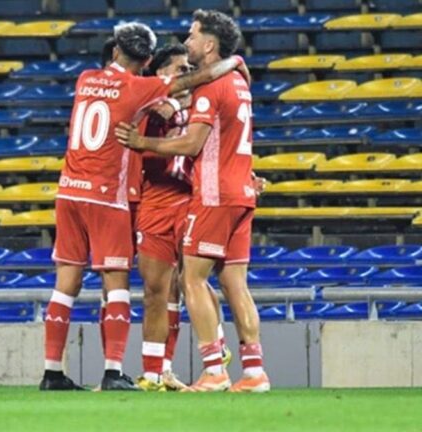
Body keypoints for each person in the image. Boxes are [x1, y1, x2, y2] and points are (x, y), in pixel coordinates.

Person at [39, 21, 249, 392]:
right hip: (109, 196)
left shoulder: (86, 79)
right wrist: (231, 63)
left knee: (65, 286)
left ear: (115, 50)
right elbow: (189, 85)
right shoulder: (139, 89)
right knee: (123, 286)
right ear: (150, 61)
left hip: (70, 191)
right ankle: (115, 371)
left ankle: (52, 372)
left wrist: (169, 103)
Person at [115, 9, 270, 393]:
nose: (187, 41)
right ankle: (253, 372)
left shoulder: (211, 88)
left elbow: (192, 143)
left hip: (215, 193)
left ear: (210, 44)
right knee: (235, 282)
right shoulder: (238, 81)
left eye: (193, 35)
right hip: (242, 193)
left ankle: (214, 369)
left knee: (191, 279)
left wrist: (143, 143)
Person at [133, 44, 234, 392]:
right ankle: (155, 372)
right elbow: (145, 116)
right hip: (154, 202)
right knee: (156, 290)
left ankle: (216, 350)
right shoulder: (146, 104)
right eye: (179, 69)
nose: (186, 76)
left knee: (195, 282)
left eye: (189, 68)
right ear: (160, 74)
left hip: (192, 199)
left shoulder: (202, 102)